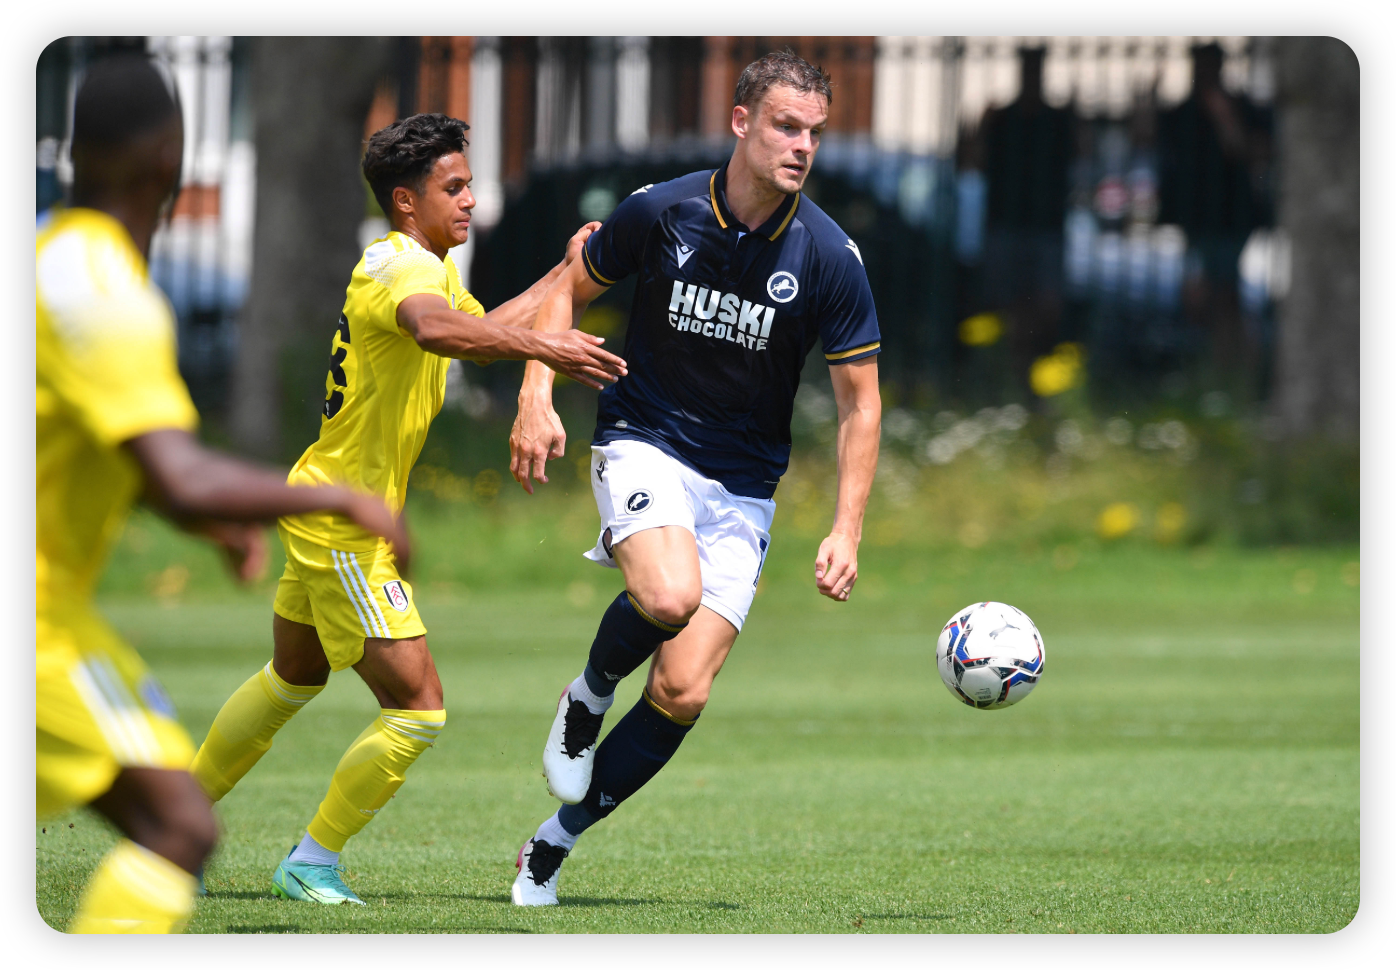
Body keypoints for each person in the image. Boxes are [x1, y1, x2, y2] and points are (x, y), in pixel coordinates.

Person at [188, 112, 626, 906]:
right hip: (346, 526)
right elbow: (436, 332)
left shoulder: (426, 267)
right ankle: (310, 861)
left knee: (292, 677)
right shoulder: (400, 269)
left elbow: (478, 328)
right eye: (452, 188)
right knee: (418, 711)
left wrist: (569, 273)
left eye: (468, 185)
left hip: (321, 503)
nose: (470, 200)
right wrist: (546, 348)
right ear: (404, 200)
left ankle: (172, 825)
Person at [36, 54, 409, 934]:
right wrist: (339, 503)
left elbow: (123, 459)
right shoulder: (106, 295)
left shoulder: (58, 256)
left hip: (63, 615)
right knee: (178, 826)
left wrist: (208, 521)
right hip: (45, 625)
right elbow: (179, 470)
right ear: (169, 156)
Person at [507, 50, 882, 905]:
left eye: (815, 132)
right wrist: (536, 394)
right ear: (742, 122)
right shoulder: (662, 209)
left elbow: (861, 406)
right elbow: (567, 289)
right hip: (646, 440)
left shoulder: (829, 255)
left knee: (682, 690)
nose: (802, 146)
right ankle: (589, 693)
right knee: (669, 597)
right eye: (786, 126)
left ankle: (551, 845)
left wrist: (846, 527)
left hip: (743, 488)